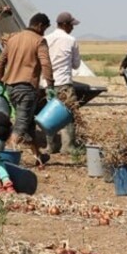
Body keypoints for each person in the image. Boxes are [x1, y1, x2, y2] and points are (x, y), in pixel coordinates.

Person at [0, 13, 54, 166]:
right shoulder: (39, 41)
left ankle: (38, 158)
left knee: (28, 124)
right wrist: (50, 85)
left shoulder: (13, 38)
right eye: (45, 28)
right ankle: (5, 159)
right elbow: (46, 64)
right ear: (40, 26)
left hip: (11, 88)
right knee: (21, 125)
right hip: (26, 88)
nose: (44, 32)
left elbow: (1, 61)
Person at [44, 11, 81, 155]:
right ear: (65, 25)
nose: (73, 28)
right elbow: (76, 65)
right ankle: (68, 147)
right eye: (71, 25)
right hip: (64, 83)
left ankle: (50, 146)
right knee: (68, 115)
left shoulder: (46, 39)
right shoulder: (71, 40)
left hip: (48, 84)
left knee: (50, 115)